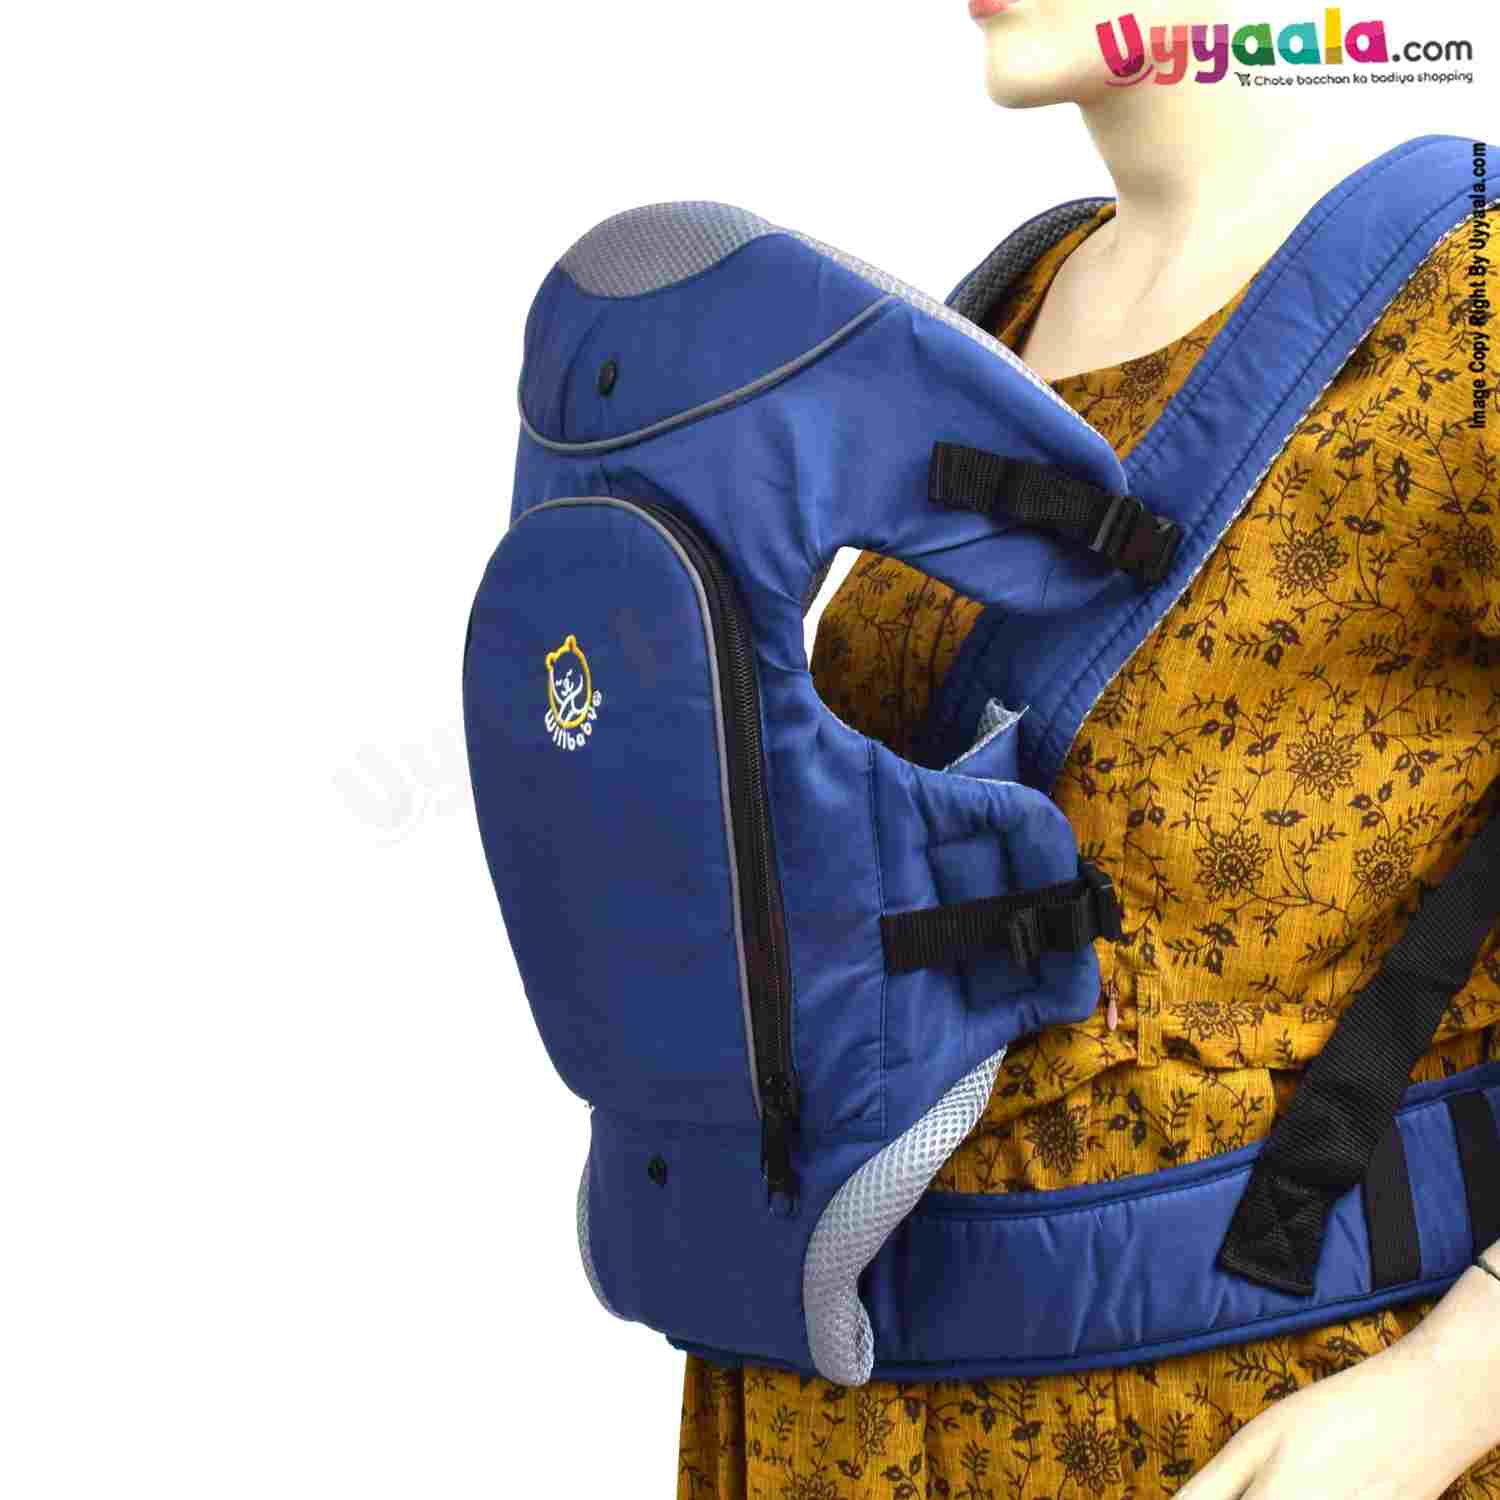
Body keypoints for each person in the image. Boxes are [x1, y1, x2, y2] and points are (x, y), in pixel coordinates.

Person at [677, 3, 1500, 1496]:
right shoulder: (994, 312)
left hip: (1241, 1424)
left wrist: (1452, 1391)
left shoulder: (1474, 310)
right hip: (822, 1415)